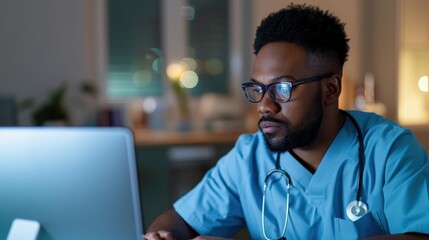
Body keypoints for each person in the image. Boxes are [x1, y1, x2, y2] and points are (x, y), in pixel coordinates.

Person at [145, 4, 429, 240]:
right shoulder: (250, 157)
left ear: (331, 89)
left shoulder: (390, 150)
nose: (265, 106)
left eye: (283, 88)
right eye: (257, 88)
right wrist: (162, 234)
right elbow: (183, 219)